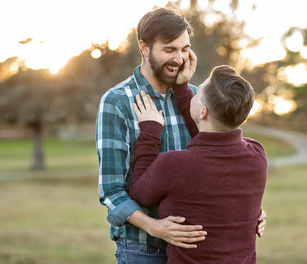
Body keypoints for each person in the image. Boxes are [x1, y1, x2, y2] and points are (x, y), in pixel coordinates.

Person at [96, 6, 266, 264]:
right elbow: (111, 191)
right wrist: (155, 226)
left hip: (197, 253)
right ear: (144, 47)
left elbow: (220, 162)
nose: (179, 58)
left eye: (185, 49)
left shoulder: (197, 97)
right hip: (143, 249)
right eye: (169, 50)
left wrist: (247, 210)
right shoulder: (117, 101)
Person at [130, 64, 268, 263]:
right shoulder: (257, 155)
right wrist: (182, 89)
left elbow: (139, 193)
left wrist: (150, 132)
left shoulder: (175, 165)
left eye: (196, 92)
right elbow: (213, 142)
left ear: (203, 111)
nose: (192, 94)